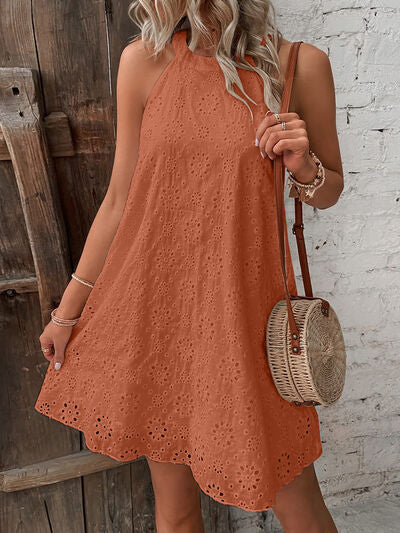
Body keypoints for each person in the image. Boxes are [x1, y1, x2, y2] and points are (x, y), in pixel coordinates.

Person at [35, 1, 343, 531]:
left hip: (245, 322)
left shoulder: (299, 65)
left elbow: (329, 189)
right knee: (175, 513)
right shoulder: (142, 62)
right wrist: (67, 313)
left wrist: (303, 165)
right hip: (158, 319)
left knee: (300, 509)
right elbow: (119, 200)